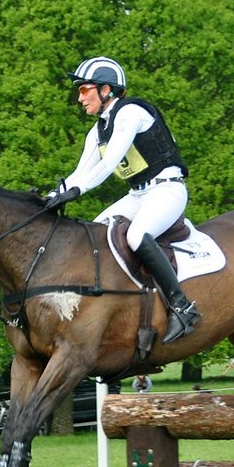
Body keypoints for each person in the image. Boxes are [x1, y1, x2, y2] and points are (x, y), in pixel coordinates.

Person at [46, 56, 199, 344]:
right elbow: (80, 172)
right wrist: (53, 195)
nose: (79, 98)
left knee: (137, 235)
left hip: (167, 190)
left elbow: (107, 165)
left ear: (106, 89)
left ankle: (181, 307)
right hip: (138, 194)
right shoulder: (98, 130)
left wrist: (77, 191)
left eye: (83, 90)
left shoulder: (130, 113)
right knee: (93, 234)